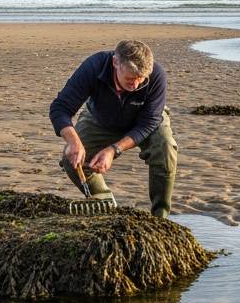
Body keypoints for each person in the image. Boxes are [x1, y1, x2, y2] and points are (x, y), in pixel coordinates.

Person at [49, 39, 177, 217]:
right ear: (115, 63)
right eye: (130, 78)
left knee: (166, 149)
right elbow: (60, 107)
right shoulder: (93, 67)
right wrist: (73, 141)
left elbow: (149, 122)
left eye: (141, 80)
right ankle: (106, 204)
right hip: (100, 118)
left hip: (145, 120)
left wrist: (113, 149)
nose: (135, 86)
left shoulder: (156, 75)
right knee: (72, 161)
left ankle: (161, 216)